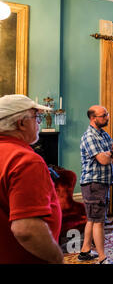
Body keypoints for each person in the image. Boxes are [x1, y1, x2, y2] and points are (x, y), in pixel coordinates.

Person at [0, 94, 64, 264]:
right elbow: (26, 230)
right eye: (36, 117)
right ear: (21, 123)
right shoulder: (24, 159)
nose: (39, 123)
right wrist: (58, 259)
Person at [79, 105, 113, 264]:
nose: (107, 117)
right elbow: (103, 160)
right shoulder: (89, 136)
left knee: (92, 219)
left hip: (102, 183)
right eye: (104, 115)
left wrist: (110, 153)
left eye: (107, 114)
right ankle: (103, 258)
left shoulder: (104, 134)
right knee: (98, 221)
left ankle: (84, 251)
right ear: (93, 118)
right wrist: (111, 154)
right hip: (93, 183)